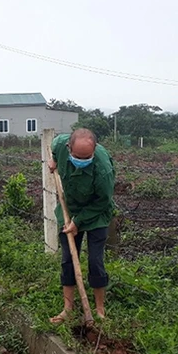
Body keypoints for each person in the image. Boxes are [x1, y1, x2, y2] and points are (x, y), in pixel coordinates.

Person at [47, 128, 115, 324]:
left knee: (95, 260)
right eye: (77, 156)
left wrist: (79, 221)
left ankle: (99, 310)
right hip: (69, 209)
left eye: (87, 157)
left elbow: (103, 201)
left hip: (96, 215)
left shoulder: (103, 170)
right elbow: (53, 149)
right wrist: (54, 161)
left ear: (94, 150)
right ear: (69, 148)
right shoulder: (60, 144)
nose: (82, 161)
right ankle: (67, 308)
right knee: (68, 259)